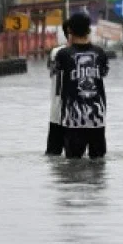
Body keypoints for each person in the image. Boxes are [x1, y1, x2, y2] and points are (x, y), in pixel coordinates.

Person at [54, 12, 111, 159]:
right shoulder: (100, 53)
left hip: (72, 118)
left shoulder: (63, 54)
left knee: (73, 165)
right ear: (89, 30)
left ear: (69, 31)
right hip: (97, 116)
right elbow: (103, 73)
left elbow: (56, 74)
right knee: (98, 164)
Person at [45, 18, 71, 155]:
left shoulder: (55, 52)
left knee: (53, 154)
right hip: (71, 114)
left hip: (56, 112)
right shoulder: (62, 53)